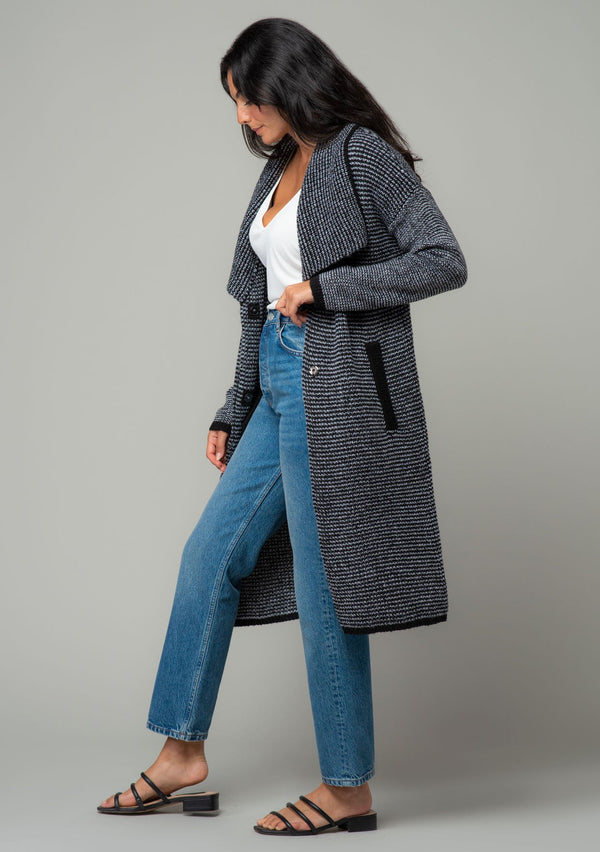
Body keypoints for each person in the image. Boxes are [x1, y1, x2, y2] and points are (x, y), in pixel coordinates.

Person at [98, 17, 467, 835]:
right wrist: (234, 404)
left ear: (290, 83)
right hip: (276, 377)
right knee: (209, 556)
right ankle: (182, 753)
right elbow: (256, 303)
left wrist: (327, 290)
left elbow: (443, 258)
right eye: (234, 101)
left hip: (334, 383)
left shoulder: (361, 154)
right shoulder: (278, 167)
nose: (241, 116)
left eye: (248, 98)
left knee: (324, 581)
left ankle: (347, 787)